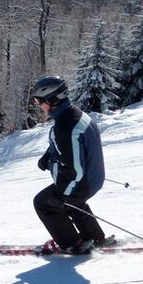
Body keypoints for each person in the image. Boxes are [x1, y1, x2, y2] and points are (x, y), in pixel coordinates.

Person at [31, 76, 107, 255]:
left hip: (84, 181)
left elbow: (74, 172)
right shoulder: (74, 115)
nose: (38, 105)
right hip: (94, 176)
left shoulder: (64, 127)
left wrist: (62, 195)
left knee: (44, 203)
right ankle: (95, 237)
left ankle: (72, 243)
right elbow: (70, 147)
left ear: (52, 100)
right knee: (73, 201)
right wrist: (48, 156)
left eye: (39, 101)